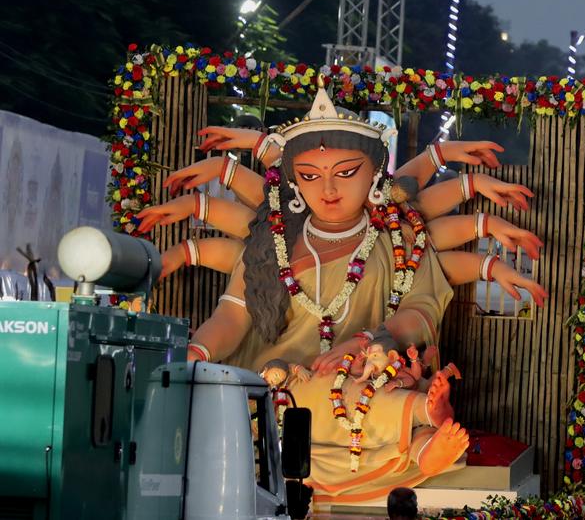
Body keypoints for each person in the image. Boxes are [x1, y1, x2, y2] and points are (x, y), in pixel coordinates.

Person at [151, 89, 544, 502]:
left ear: (375, 174)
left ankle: (427, 435)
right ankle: (420, 422)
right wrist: (195, 353)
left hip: (364, 375)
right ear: (292, 182)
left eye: (344, 172)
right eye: (309, 175)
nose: (327, 189)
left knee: (372, 394)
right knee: (293, 400)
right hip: (284, 383)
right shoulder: (271, 244)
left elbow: (420, 309)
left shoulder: (398, 239)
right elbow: (231, 317)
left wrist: (366, 341)